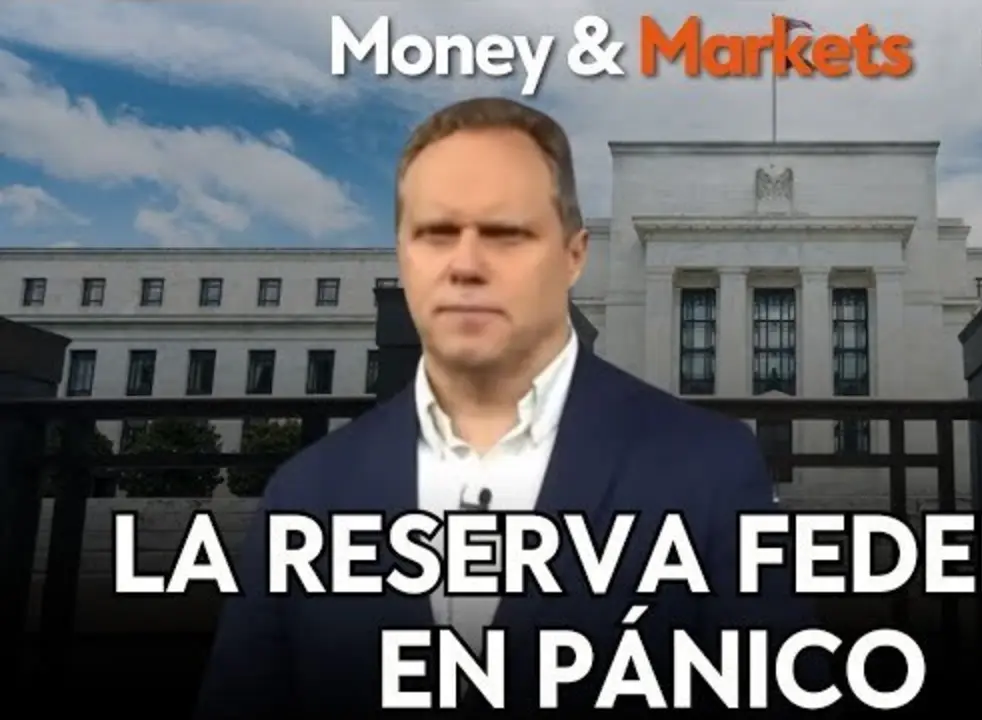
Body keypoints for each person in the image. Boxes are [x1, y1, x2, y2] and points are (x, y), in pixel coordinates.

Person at [195, 97, 822, 716]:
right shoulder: (305, 494)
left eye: (506, 232)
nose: (467, 265)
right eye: (437, 233)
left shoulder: (713, 470)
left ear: (574, 256)